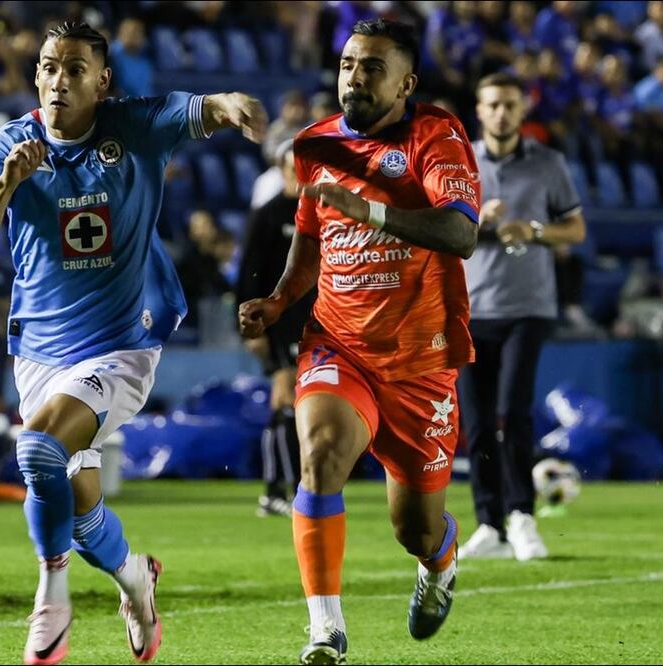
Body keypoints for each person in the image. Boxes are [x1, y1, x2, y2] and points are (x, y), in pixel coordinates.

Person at [0, 20, 266, 665]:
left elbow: (201, 110)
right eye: (47, 66)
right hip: (39, 349)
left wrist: (231, 106)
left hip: (123, 343)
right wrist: (9, 182)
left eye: (73, 69)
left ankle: (51, 598)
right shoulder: (11, 143)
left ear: (102, 80)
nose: (57, 80)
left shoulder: (133, 125)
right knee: (79, 504)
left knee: (38, 449)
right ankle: (135, 582)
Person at [238, 18, 480, 664]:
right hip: (337, 344)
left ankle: (440, 556)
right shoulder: (314, 142)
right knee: (317, 453)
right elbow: (310, 236)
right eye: (348, 64)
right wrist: (280, 299)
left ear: (407, 82)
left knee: (414, 528)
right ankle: (325, 629)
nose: (355, 76)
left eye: (373, 66)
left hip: (419, 362)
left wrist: (368, 209)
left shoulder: (436, 136)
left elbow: (460, 234)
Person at [458, 72, 586, 561]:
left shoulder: (548, 163)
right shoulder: (460, 160)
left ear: (523, 109)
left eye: (509, 105)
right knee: (475, 420)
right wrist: (475, 221)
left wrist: (531, 230)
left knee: (511, 411)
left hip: (527, 306)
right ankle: (489, 523)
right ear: (479, 109)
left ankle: (522, 516)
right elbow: (435, 228)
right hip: (470, 308)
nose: (501, 113)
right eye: (492, 105)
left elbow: (575, 229)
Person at [237, 141, 314, 518]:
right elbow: (249, 271)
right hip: (280, 323)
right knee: (284, 397)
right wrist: (252, 328)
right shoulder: (268, 215)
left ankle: (291, 487)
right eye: (293, 168)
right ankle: (276, 489)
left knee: (298, 403)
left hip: (316, 323)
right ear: (281, 171)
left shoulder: (319, 212)